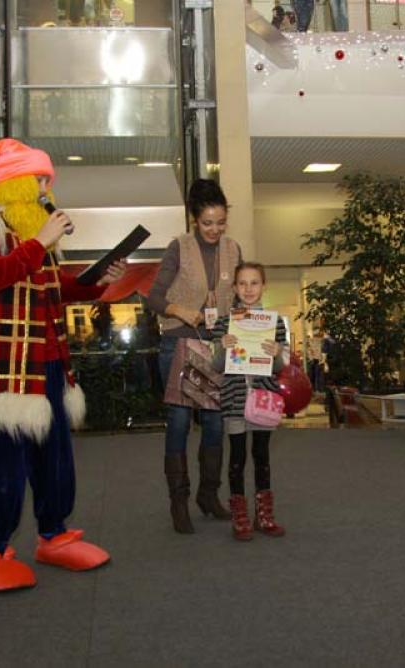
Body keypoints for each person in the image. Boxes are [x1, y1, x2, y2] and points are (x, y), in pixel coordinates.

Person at [0, 138, 125, 593]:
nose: (46, 189)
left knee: (55, 456)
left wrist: (98, 280)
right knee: (3, 464)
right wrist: (42, 241)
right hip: (4, 370)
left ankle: (54, 535)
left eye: (48, 181)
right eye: (39, 180)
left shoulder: (32, 234)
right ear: (12, 181)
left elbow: (55, 286)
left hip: (49, 361)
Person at [148, 178, 242, 534]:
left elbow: (240, 295)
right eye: (207, 223)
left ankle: (208, 494)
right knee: (179, 421)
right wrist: (182, 310)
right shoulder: (180, 248)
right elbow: (154, 297)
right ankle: (179, 501)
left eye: (221, 222)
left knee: (216, 422)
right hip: (178, 343)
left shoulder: (233, 249)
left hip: (216, 345)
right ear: (194, 220)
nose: (215, 230)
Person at [210, 262, 288, 541]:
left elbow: (280, 367)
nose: (248, 289)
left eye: (254, 283)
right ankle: (240, 516)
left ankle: (264, 515)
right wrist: (223, 347)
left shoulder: (275, 323)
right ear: (234, 288)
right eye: (242, 283)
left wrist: (276, 353)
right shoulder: (223, 323)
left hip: (264, 400)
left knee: (262, 456)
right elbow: (216, 365)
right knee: (237, 458)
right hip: (234, 400)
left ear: (263, 286)